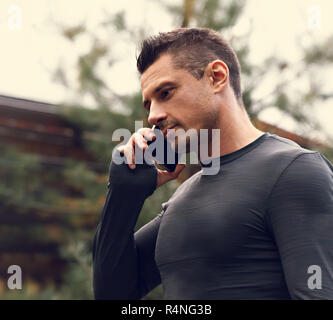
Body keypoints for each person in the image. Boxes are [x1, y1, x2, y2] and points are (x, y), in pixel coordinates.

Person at [92, 27, 333, 299]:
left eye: (166, 93)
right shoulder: (182, 198)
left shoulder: (295, 171)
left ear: (216, 77)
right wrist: (123, 195)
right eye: (149, 105)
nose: (153, 116)